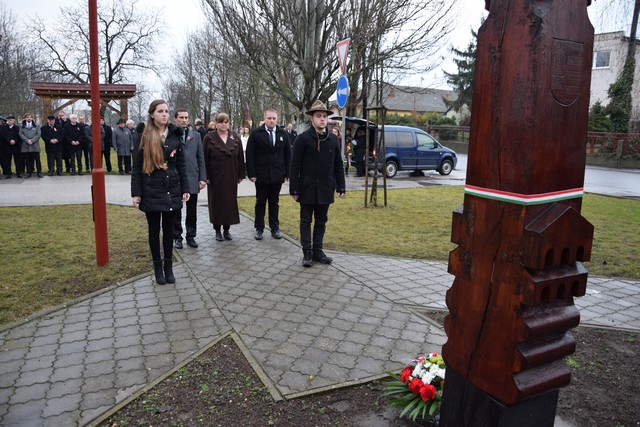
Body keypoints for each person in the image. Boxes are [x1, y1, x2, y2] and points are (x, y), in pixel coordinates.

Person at [131, 99, 190, 285]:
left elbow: (181, 164)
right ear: (152, 114)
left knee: (169, 230)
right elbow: (137, 166)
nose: (164, 114)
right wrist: (136, 193)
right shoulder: (144, 135)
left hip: (171, 189)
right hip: (151, 189)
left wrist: (185, 188)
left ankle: (168, 266)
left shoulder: (175, 134)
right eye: (160, 111)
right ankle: (157, 267)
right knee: (154, 230)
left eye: (166, 111)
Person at [289, 100, 346, 267]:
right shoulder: (302, 139)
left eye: (324, 116)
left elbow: (338, 164)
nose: (322, 119)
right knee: (305, 221)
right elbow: (294, 165)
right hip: (306, 187)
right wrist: (294, 188)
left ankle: (318, 251)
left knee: (321, 221)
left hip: (325, 187)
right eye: (318, 116)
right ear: (312, 118)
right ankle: (307, 252)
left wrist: (341, 185)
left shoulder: (333, 139)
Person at [246, 108, 291, 240]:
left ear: (277, 119)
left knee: (274, 202)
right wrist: (251, 173)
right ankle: (259, 228)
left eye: (274, 118)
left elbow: (288, 154)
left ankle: (275, 228)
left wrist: (287, 173)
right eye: (269, 118)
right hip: (261, 174)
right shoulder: (256, 133)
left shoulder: (283, 133)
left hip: (277, 174)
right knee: (260, 201)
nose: (271, 121)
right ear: (264, 119)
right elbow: (250, 154)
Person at [202, 112, 245, 242]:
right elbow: (204, 158)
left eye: (226, 122)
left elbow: (240, 157)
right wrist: (205, 176)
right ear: (216, 123)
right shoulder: (209, 138)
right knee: (217, 203)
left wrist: (240, 174)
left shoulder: (235, 137)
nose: (223, 124)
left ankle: (227, 229)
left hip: (231, 176)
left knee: (229, 203)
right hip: (215, 177)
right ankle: (217, 230)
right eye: (221, 122)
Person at [172, 109, 206, 249]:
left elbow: (200, 158)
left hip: (192, 177)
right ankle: (177, 237)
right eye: (181, 117)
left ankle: (191, 236)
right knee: (176, 210)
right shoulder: (171, 135)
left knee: (192, 210)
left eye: (186, 117)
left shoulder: (196, 136)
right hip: (176, 178)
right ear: (175, 119)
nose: (184, 120)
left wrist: (202, 177)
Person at [19, 113, 43, 178]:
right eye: (27, 117)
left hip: (35, 145)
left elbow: (38, 134)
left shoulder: (36, 125)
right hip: (26, 145)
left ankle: (39, 172)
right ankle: (28, 173)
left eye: (30, 117)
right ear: (25, 118)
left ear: (32, 118)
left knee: (37, 160)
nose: (29, 118)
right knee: (28, 160)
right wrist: (27, 140)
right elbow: (21, 134)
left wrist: (32, 140)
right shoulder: (22, 126)